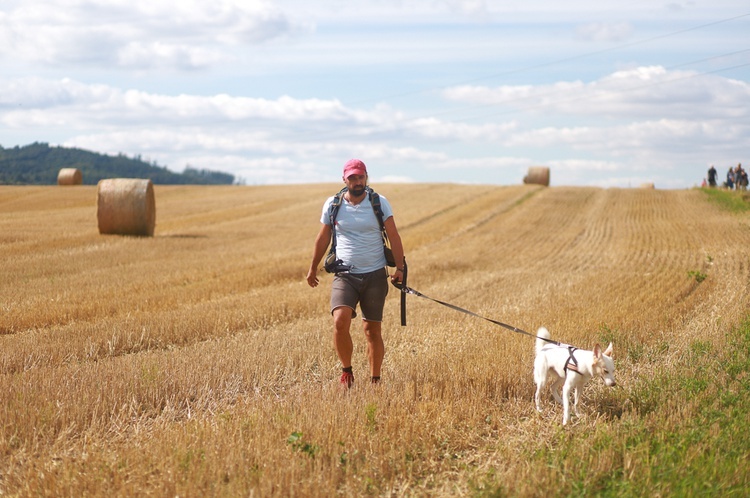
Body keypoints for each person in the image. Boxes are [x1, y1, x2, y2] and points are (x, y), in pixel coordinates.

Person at [306, 159, 405, 388]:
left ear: (366, 177)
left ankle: (375, 380)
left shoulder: (379, 203)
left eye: (360, 177)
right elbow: (323, 238)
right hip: (345, 275)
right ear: (344, 179)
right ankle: (347, 371)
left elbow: (394, 236)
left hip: (375, 275)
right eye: (352, 178)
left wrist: (399, 268)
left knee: (372, 330)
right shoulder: (333, 204)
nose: (357, 181)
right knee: (340, 321)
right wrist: (313, 267)